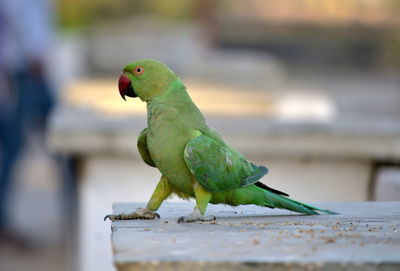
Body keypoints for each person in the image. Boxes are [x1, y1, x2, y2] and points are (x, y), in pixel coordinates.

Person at [0, 0, 54, 243]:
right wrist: (35, 52)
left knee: (15, 145)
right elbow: (19, 12)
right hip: (21, 67)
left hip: (23, 65)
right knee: (13, 145)